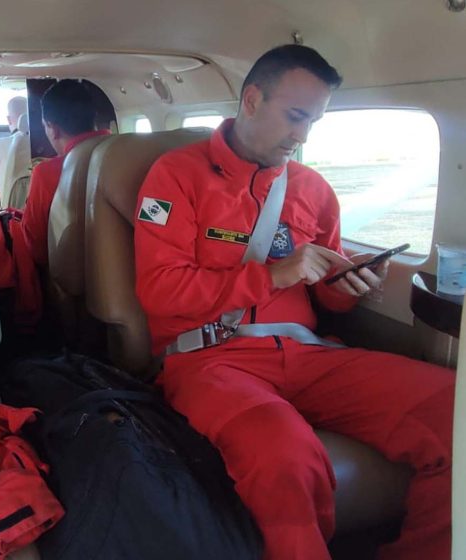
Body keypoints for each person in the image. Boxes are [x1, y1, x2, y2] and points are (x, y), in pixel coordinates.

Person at [134, 45, 453, 560]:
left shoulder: (313, 190)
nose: (303, 136)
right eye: (296, 116)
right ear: (253, 100)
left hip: (310, 355)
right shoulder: (175, 176)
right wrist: (272, 274)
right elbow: (160, 291)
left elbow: (325, 292)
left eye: (314, 121)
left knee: (454, 411)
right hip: (209, 359)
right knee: (284, 456)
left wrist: (349, 285)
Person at [19, 79, 110, 265]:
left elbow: (35, 246)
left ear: (52, 129)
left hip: (74, 279)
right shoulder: (126, 152)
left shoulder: (45, 173)